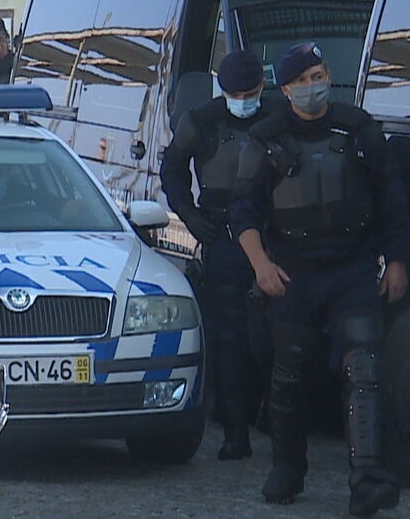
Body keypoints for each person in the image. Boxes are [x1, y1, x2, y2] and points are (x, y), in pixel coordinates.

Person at [230, 43, 407, 515]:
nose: (314, 86)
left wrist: (397, 261)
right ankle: (287, 467)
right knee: (289, 375)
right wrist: (261, 266)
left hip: (352, 268)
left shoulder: (359, 128)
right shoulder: (265, 138)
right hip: (293, 273)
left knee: (365, 370)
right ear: (285, 88)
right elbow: (242, 211)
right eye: (303, 79)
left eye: (319, 74)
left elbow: (392, 198)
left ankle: (368, 478)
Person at [162, 50, 275, 461]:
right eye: (236, 93)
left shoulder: (277, 115)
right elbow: (172, 168)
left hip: (273, 235)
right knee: (227, 336)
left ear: (262, 88)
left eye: (251, 92)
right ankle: (234, 430)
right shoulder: (202, 120)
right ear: (222, 90)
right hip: (222, 234)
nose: (244, 99)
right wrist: (190, 215)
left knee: (280, 332)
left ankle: (273, 415)